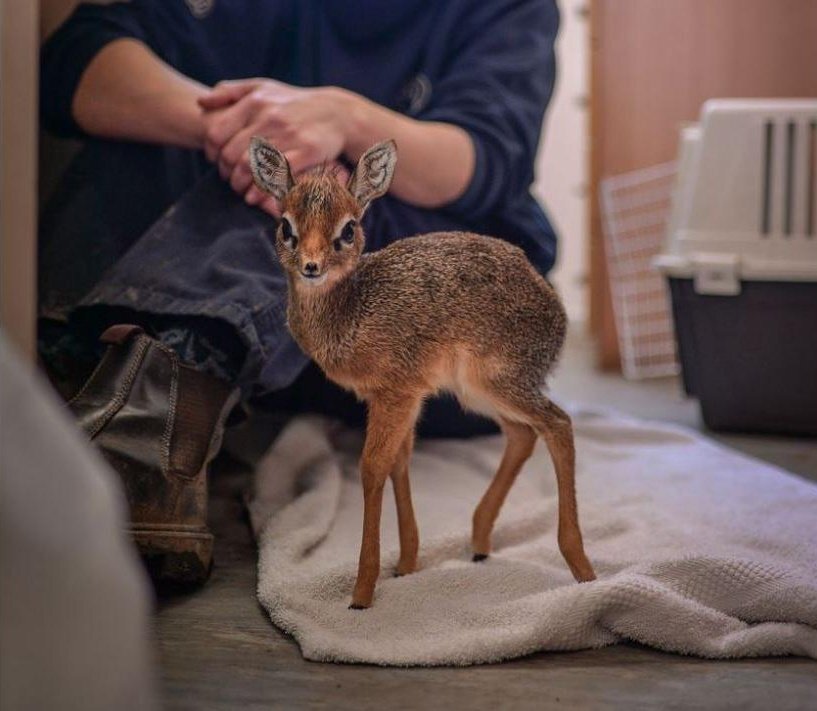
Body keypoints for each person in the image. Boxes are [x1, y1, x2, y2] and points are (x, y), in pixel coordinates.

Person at [39, 0, 560, 585]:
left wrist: (343, 119)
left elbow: (488, 157)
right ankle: (102, 376)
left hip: (425, 341)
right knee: (158, 143)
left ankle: (164, 401)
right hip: (284, 312)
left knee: (323, 209)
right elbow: (76, 60)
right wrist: (240, 135)